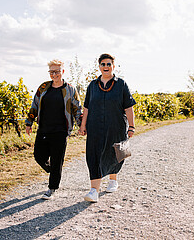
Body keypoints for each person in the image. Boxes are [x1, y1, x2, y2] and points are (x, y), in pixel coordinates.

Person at [79, 53, 136, 202]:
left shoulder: (121, 84)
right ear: (99, 67)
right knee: (93, 156)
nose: (106, 67)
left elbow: (129, 108)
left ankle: (113, 179)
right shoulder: (92, 85)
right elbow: (87, 107)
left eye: (108, 64)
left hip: (115, 126)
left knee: (114, 154)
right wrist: (83, 125)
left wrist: (131, 127)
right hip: (95, 127)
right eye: (103, 64)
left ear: (113, 66)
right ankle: (94, 191)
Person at [25, 59, 82, 200]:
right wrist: (29, 121)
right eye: (51, 72)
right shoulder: (44, 87)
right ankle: (55, 172)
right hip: (44, 129)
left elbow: (77, 109)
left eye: (57, 71)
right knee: (39, 156)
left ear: (62, 72)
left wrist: (82, 125)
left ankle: (52, 187)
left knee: (57, 159)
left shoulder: (70, 89)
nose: (54, 74)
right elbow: (35, 104)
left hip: (61, 131)